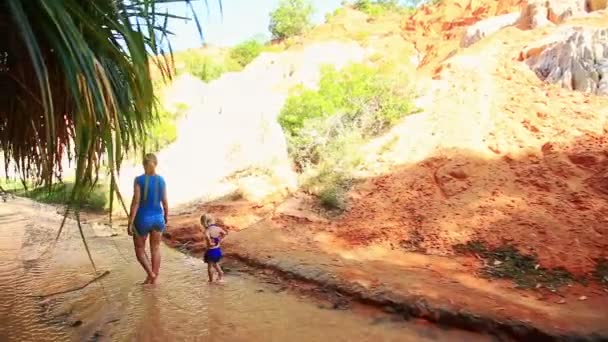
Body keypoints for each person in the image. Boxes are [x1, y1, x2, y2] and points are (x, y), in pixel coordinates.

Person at [127, 153, 168, 285]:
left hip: (143, 218)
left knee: (140, 250)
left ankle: (151, 273)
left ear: (144, 165)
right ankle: (153, 279)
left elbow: (136, 202)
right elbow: (165, 202)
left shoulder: (139, 180)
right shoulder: (161, 180)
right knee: (155, 249)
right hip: (158, 218)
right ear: (156, 164)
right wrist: (165, 217)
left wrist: (130, 221)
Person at [201, 213, 227, 283]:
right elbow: (224, 233)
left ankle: (210, 280)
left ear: (204, 223)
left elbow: (209, 241)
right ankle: (220, 274)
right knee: (216, 263)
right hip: (218, 250)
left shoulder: (207, 231)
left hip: (211, 251)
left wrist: (210, 243)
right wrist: (220, 240)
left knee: (210, 266)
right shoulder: (218, 228)